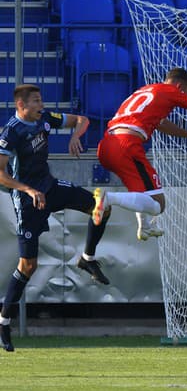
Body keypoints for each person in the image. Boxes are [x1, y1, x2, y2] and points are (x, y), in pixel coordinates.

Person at [0, 84, 112, 352]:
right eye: (36, 101)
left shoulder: (46, 118)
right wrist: (28, 189)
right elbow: (0, 173)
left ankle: (87, 259)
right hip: (28, 201)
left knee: (101, 208)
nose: (42, 105)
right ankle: (4, 322)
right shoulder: (10, 133)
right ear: (21, 106)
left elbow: (83, 120)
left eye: (41, 100)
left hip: (51, 188)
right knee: (28, 266)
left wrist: (76, 135)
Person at [92, 67, 187, 244]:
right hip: (126, 144)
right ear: (180, 86)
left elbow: (161, 123)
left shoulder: (147, 90)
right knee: (158, 204)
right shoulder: (171, 91)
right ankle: (109, 198)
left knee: (141, 190)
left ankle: (144, 226)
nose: (186, 95)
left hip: (107, 146)